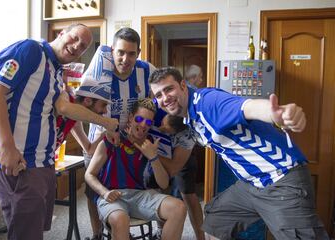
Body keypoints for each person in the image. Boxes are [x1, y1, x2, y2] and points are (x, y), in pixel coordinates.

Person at [149, 67, 330, 240]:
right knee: (216, 220)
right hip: (251, 185)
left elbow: (248, 107)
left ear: (182, 86)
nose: (165, 98)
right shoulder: (189, 117)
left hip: (281, 179)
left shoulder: (208, 102)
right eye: (159, 95)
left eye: (169, 89)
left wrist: (278, 115)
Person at [0, 23, 118, 240]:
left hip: (42, 164)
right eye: (74, 38)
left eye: (83, 47)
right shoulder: (31, 49)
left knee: (33, 230)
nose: (77, 47)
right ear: (62, 33)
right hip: (21, 161)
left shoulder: (56, 74)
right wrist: (6, 145)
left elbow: (87, 146)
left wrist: (106, 130)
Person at [81, 27, 157, 240]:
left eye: (131, 53)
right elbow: (77, 107)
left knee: (133, 186)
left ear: (138, 53)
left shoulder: (146, 70)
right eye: (121, 52)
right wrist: (93, 138)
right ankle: (97, 234)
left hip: (133, 141)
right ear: (112, 50)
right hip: (101, 140)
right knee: (93, 188)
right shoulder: (98, 71)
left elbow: (161, 90)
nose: (125, 58)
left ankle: (121, 228)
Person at [85, 98, 187, 240]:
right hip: (113, 196)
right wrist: (105, 193)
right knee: (120, 220)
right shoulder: (112, 139)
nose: (144, 125)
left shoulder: (150, 144)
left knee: (179, 208)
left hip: (140, 196)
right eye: (139, 118)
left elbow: (163, 184)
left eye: (149, 122)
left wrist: (153, 157)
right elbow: (89, 174)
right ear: (131, 118)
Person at [159, 114, 205, 240]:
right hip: (156, 147)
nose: (161, 128)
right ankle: (160, 230)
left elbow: (173, 169)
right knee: (156, 190)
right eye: (162, 123)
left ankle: (201, 237)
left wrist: (153, 154)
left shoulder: (187, 137)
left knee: (188, 195)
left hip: (179, 156)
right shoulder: (159, 109)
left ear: (175, 131)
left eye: (165, 128)